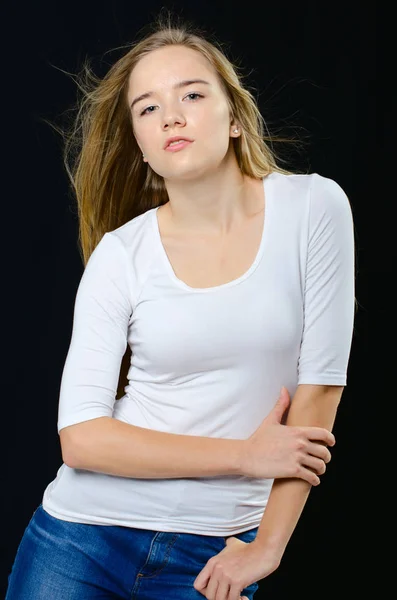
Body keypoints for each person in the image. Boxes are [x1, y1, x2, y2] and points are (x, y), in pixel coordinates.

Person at [5, 12, 355, 600]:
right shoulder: (121, 255)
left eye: (191, 93)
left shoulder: (314, 209)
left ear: (236, 117)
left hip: (212, 553)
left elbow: (320, 391)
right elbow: (83, 439)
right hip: (81, 537)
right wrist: (244, 456)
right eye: (147, 108)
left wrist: (267, 549)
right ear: (142, 146)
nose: (171, 114)